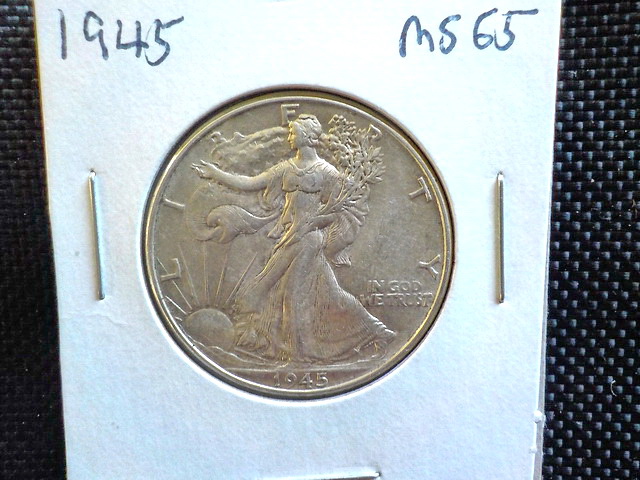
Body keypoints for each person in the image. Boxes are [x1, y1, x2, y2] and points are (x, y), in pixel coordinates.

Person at [192, 114, 395, 363]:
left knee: (291, 295)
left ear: (307, 137)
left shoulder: (327, 172)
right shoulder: (285, 168)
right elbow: (250, 183)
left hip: (309, 240)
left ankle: (296, 354)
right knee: (328, 293)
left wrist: (317, 222)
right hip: (289, 237)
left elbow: (343, 208)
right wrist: (217, 174)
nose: (290, 136)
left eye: (293, 132)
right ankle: (375, 330)